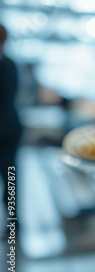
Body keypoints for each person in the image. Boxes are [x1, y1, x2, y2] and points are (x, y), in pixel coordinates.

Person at [0, 25, 21, 223]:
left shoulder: (7, 65)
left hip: (6, 130)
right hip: (11, 126)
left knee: (9, 176)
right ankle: (13, 218)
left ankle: (13, 218)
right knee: (10, 174)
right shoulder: (10, 64)